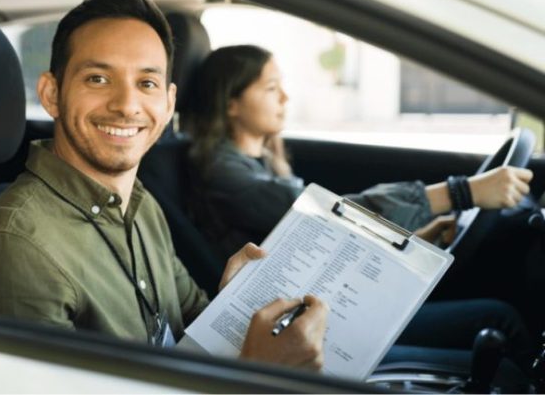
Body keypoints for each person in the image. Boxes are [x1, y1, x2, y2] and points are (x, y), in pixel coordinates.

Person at [0, 0, 327, 370]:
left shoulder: (140, 205)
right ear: (52, 94)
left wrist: (236, 303)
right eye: (98, 79)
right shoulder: (17, 248)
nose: (126, 105)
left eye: (147, 83)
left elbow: (186, 323)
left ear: (169, 102)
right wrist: (255, 377)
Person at [186, 43, 537, 368]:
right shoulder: (224, 174)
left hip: (319, 306)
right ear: (230, 103)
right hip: (298, 327)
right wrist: (459, 193)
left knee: (494, 316)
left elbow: (321, 246)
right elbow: (329, 219)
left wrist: (414, 238)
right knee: (496, 319)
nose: (286, 97)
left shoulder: (259, 161)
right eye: (271, 88)